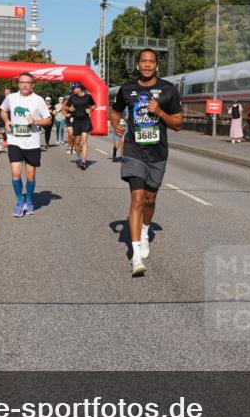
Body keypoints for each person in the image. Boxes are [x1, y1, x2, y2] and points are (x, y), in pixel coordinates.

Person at [110, 48, 182, 276]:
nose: (147, 65)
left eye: (151, 61)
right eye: (143, 61)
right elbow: (115, 112)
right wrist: (116, 126)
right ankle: (136, 256)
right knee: (137, 199)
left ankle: (145, 230)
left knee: (150, 200)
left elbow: (178, 124)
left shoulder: (169, 89)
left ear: (156, 65)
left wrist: (160, 112)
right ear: (138, 64)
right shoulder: (127, 89)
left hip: (157, 154)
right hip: (134, 151)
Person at [0, 72, 52, 217]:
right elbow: (3, 110)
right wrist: (6, 121)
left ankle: (29, 200)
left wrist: (36, 121)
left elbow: (48, 120)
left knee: (30, 175)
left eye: (28, 82)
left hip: (32, 143)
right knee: (15, 173)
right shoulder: (11, 98)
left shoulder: (38, 100)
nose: (25, 85)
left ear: (32, 85)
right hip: (14, 141)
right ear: (18, 84)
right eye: (22, 82)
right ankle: (19, 201)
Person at [66, 85, 96, 169]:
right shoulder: (72, 97)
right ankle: (79, 157)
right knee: (77, 142)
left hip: (85, 120)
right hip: (76, 121)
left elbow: (94, 105)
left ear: (79, 89)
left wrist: (90, 109)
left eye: (74, 88)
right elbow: (65, 106)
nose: (73, 90)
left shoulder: (88, 96)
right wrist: (69, 108)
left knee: (84, 140)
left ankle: (83, 161)